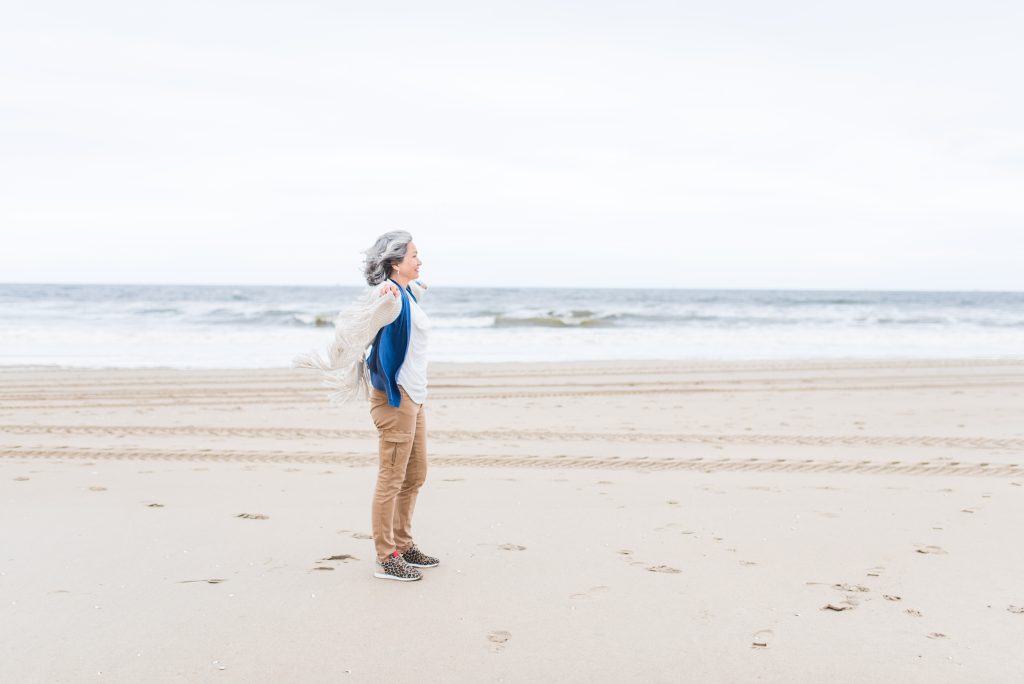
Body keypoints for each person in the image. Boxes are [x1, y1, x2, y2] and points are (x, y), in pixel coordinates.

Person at [295, 230, 438, 582]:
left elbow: (419, 288)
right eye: (414, 256)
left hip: (415, 397)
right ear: (395, 262)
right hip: (394, 399)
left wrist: (399, 285)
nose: (420, 261)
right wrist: (382, 291)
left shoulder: (407, 292)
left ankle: (404, 545)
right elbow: (357, 324)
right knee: (392, 478)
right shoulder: (386, 298)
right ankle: (385, 556)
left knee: (415, 475)